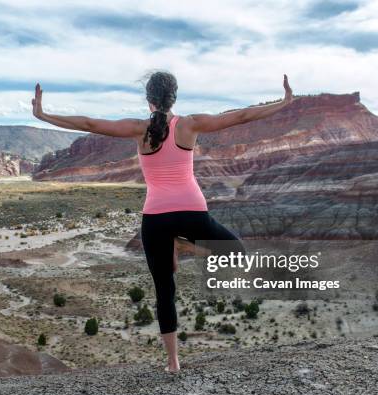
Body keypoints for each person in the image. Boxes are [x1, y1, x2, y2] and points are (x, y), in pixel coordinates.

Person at [32, 71, 294, 372]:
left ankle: (173, 362)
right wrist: (283, 103)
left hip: (155, 218)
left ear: (149, 100)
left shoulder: (137, 129)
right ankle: (182, 245)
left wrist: (44, 114)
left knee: (164, 290)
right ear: (174, 97)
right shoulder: (189, 124)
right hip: (192, 212)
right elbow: (241, 116)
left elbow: (89, 123)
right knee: (235, 251)